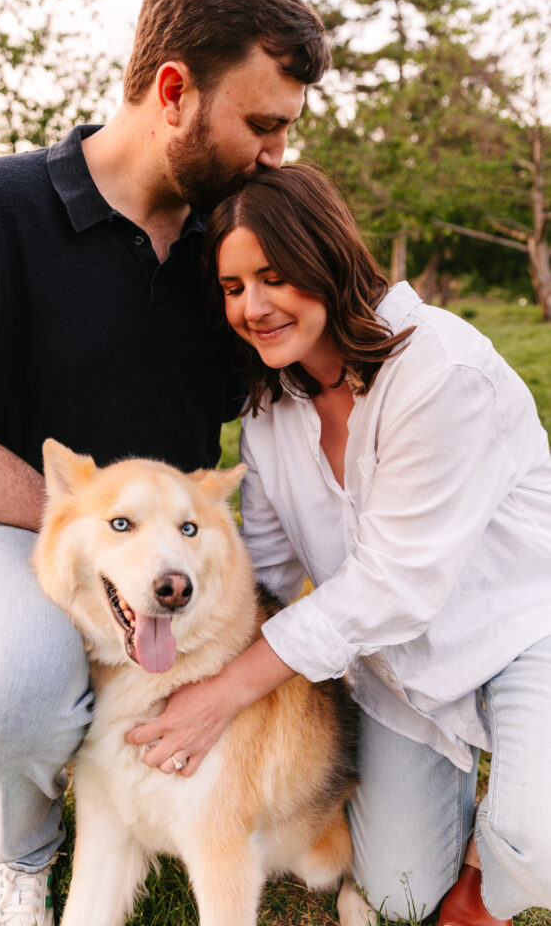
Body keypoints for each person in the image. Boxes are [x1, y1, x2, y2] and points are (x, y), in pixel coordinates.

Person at [0, 0, 328, 926]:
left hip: (176, 529)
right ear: (173, 92)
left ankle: (197, 803)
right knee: (23, 692)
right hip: (2, 511)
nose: (274, 155)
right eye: (261, 125)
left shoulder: (232, 251)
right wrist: (91, 533)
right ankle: (23, 854)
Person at [126, 163, 551, 925]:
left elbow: (393, 585)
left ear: (326, 258)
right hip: (398, 666)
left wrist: (225, 693)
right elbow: (265, 565)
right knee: (397, 893)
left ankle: (496, 856)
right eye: (232, 287)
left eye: (274, 277)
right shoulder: (269, 408)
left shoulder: (439, 371)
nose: (253, 307)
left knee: (536, 846)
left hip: (521, 630)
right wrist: (166, 664)